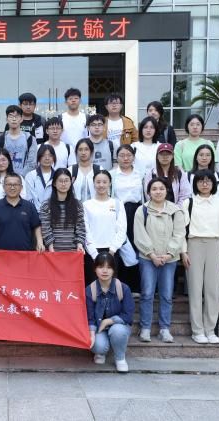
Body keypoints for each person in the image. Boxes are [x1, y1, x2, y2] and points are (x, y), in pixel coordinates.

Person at [134, 178, 186, 343]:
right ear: (148, 192)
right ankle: (145, 328)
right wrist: (152, 254)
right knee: (147, 293)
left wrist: (169, 254)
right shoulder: (142, 210)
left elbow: (179, 234)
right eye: (154, 189)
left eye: (161, 188)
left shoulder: (175, 211)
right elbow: (139, 234)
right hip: (148, 258)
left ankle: (164, 329)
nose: (158, 191)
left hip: (169, 260)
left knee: (166, 295)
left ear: (167, 190)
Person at [181, 170, 219, 344]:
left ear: (213, 183)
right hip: (194, 244)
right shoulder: (189, 203)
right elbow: (182, 230)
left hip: (214, 244)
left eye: (208, 181)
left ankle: (210, 330)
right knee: (195, 289)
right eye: (201, 181)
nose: (205, 184)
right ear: (195, 184)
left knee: (212, 290)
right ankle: (197, 330)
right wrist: (183, 251)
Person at [85, 252, 135, 372]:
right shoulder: (89, 290)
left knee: (117, 330)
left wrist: (108, 321)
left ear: (113, 270)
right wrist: (91, 334)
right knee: (97, 345)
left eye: (109, 267)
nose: (105, 271)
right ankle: (101, 352)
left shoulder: (123, 288)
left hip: (118, 326)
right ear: (95, 269)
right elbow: (90, 318)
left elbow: (128, 316)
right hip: (98, 328)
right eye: (101, 267)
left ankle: (120, 358)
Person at [111, 145, 145, 292]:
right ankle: (122, 284)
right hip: (119, 212)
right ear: (116, 158)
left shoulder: (140, 174)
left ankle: (136, 285)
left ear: (133, 157)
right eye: (122, 155)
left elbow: (144, 195)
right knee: (122, 245)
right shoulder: (112, 174)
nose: (125, 158)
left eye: (129, 155)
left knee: (137, 245)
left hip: (137, 212)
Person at [0, 172, 44, 252]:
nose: (12, 187)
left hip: (25, 253)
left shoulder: (29, 206)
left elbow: (36, 226)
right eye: (9, 184)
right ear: (3, 187)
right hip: (0, 254)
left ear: (21, 187)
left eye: (15, 185)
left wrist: (40, 242)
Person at [84, 170, 127, 262]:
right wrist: (94, 254)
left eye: (104, 182)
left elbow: (122, 229)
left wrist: (112, 250)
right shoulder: (86, 205)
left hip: (113, 251)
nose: (101, 185)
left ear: (110, 183)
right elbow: (85, 230)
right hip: (92, 251)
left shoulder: (118, 204)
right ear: (93, 183)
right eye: (98, 182)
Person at [40, 168, 87, 253]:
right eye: (60, 181)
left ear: (71, 183)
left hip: (73, 252)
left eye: (66, 181)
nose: (63, 184)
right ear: (54, 183)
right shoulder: (46, 205)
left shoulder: (77, 205)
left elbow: (80, 227)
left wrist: (79, 244)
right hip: (53, 251)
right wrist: (51, 247)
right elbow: (45, 228)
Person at [0, 105, 37, 177]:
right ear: (7, 119)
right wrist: (8, 178)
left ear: (21, 119)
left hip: (24, 179)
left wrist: (19, 177)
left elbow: (32, 163)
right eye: (11, 116)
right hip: (4, 178)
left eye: (17, 116)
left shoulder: (30, 139)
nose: (14, 119)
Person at [24, 145, 56, 212]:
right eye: (43, 155)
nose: (47, 158)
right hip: (34, 213)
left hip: (54, 213)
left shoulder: (57, 176)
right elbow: (30, 197)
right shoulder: (30, 176)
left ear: (54, 158)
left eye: (50, 155)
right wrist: (42, 212)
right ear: (39, 157)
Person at [71, 139, 99, 203]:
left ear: (91, 151)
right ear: (76, 152)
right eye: (80, 150)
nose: (83, 153)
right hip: (75, 207)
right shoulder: (71, 170)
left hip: (95, 207)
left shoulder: (99, 169)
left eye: (86, 149)